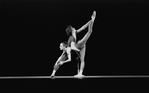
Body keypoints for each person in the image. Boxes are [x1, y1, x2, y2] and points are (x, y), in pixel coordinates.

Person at [66, 11, 96, 78]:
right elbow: (72, 47)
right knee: (90, 31)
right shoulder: (71, 37)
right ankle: (93, 20)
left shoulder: (75, 32)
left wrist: (89, 21)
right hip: (78, 45)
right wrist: (78, 51)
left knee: (82, 59)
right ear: (71, 30)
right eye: (72, 27)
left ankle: (80, 73)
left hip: (82, 46)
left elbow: (83, 27)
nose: (73, 27)